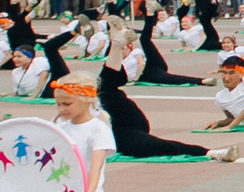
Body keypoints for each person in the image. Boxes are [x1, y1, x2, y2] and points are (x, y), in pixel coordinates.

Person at [96, 65, 236, 162]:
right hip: (123, 136)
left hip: (129, 123)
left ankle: (117, 43)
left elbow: (109, 78)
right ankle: (212, 153)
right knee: (165, 146)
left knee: (106, 86)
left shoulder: (105, 92)